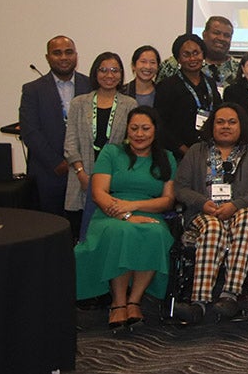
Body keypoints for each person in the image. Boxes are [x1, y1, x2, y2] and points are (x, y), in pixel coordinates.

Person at [74, 107, 177, 329]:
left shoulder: (167, 157)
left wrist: (135, 206)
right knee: (122, 231)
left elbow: (167, 200)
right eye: (134, 128)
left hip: (148, 212)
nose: (139, 134)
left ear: (155, 131)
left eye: (145, 129)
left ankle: (135, 300)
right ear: (127, 130)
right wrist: (127, 214)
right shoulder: (111, 152)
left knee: (157, 233)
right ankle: (118, 302)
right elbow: (98, 193)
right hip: (110, 213)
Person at [172, 103, 248, 323]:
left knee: (247, 217)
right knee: (213, 228)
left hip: (240, 212)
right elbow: (180, 188)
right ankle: (198, 303)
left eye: (231, 122)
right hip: (205, 213)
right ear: (212, 125)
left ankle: (230, 296)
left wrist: (236, 204)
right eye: (220, 122)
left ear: (241, 126)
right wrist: (202, 202)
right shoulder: (196, 152)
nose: (225, 127)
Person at [64, 52, 138, 240]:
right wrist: (81, 173)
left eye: (114, 70)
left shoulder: (129, 104)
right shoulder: (79, 103)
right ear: (95, 73)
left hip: (114, 177)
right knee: (80, 231)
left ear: (121, 74)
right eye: (103, 70)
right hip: (81, 174)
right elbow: (70, 142)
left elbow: (131, 142)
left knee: (108, 230)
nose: (109, 75)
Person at [19, 36, 90, 218]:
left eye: (69, 52)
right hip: (48, 173)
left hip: (84, 172)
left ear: (76, 55)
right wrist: (57, 163)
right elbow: (30, 132)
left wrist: (78, 164)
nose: (64, 57)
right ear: (47, 57)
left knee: (82, 229)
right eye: (57, 53)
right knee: (50, 227)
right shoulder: (32, 90)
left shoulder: (90, 85)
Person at [155, 34, 222, 159]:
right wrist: (185, 150)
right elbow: (161, 125)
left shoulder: (211, 83)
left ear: (203, 54)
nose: (192, 58)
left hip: (209, 152)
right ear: (178, 59)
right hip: (178, 155)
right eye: (186, 55)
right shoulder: (167, 86)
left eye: (196, 53)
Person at [158, 16, 238, 91]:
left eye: (227, 35)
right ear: (204, 34)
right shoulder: (173, 64)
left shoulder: (239, 69)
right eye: (216, 33)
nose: (221, 38)